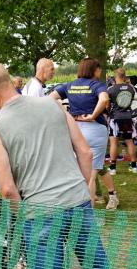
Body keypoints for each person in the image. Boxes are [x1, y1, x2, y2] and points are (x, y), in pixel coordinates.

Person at [0, 61, 136, 269]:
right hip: (77, 203)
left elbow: (8, 189)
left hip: (40, 214)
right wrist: (83, 192)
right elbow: (85, 152)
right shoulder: (52, 105)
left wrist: (22, 218)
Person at [49, 58, 122, 210]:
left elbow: (50, 98)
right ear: (94, 70)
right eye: (99, 69)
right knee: (91, 176)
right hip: (95, 130)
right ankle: (88, 216)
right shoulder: (97, 85)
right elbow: (104, 99)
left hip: (75, 130)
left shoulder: (69, 85)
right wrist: (93, 115)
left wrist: (66, 113)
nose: (100, 71)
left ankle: (81, 207)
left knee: (81, 173)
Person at [106, 68, 137, 175]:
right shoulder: (131, 88)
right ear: (124, 76)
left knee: (114, 142)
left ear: (116, 76)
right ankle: (134, 166)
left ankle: (113, 168)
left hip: (115, 117)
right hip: (127, 116)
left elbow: (107, 105)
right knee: (129, 141)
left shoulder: (111, 89)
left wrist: (107, 112)